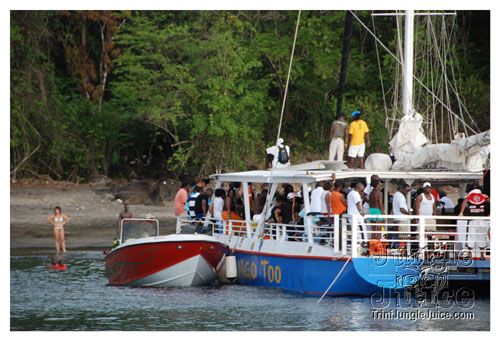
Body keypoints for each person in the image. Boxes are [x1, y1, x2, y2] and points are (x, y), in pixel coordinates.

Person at [459, 183, 490, 259]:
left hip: (473, 219)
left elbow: (464, 202)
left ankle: (470, 254)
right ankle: (482, 255)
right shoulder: (484, 196)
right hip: (482, 219)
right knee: (482, 236)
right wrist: (490, 214)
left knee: (471, 235)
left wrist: (461, 213)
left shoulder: (469, 196)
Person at [347, 183, 367, 250]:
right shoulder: (355, 194)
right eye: (362, 190)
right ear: (358, 188)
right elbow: (358, 203)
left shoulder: (350, 193)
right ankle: (362, 246)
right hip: (356, 216)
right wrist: (361, 212)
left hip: (351, 215)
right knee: (361, 231)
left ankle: (358, 246)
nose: (362, 192)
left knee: (356, 232)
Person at [391, 184, 411, 249]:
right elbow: (402, 209)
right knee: (402, 237)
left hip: (397, 218)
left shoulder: (396, 194)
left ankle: (396, 248)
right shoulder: (401, 196)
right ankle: (401, 250)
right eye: (407, 190)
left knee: (396, 235)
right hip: (402, 219)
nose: (408, 192)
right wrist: (408, 213)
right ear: (403, 188)